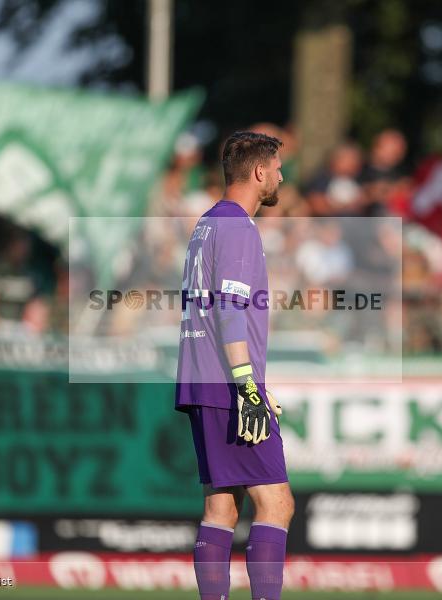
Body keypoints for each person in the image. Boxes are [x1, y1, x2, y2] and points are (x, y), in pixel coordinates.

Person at [176, 131, 293, 600]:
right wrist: (247, 386)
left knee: (222, 509)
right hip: (228, 384)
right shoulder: (238, 227)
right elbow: (228, 308)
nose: (282, 175)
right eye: (279, 167)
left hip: (204, 381)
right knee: (277, 503)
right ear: (260, 172)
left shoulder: (206, 224)